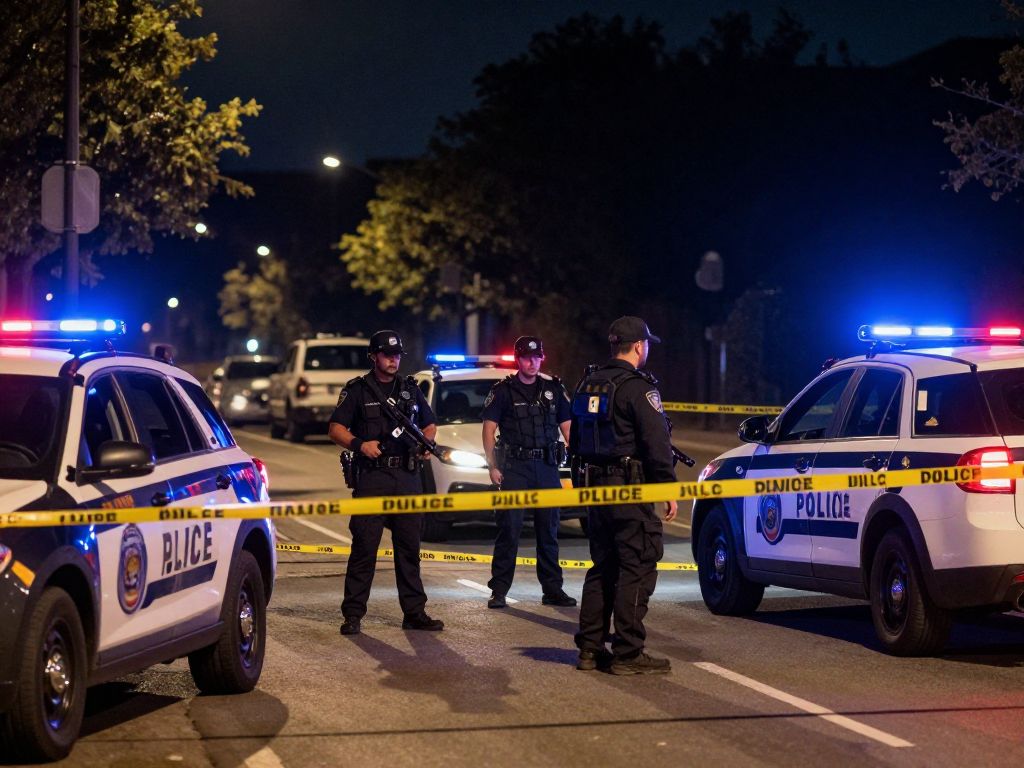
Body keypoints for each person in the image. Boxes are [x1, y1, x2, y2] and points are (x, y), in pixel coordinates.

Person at [570, 316, 677, 675]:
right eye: (646, 344)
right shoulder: (637, 388)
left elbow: (576, 441)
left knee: (603, 566)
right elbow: (656, 443)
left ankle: (589, 648)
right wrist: (666, 488)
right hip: (630, 491)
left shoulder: (589, 383)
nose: (647, 349)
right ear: (637, 346)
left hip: (596, 490)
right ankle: (629, 653)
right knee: (637, 566)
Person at [328, 329, 444, 636]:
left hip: (407, 476)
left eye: (396, 356)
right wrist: (359, 444)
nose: (393, 360)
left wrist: (425, 442)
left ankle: (414, 613)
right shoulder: (358, 390)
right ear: (374, 356)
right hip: (373, 477)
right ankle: (353, 614)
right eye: (387, 355)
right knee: (365, 546)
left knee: (409, 547)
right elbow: (336, 428)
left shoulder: (410, 388)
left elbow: (430, 424)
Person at [481, 336, 577, 609]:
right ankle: (498, 590)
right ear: (517, 359)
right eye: (526, 357)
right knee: (509, 529)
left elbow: (568, 428)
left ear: (541, 358)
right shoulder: (503, 391)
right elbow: (489, 429)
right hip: (515, 468)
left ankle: (552, 589)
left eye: (536, 357)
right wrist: (492, 466)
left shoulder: (553, 389)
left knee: (549, 530)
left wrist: (578, 457)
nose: (532, 362)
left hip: (547, 468)